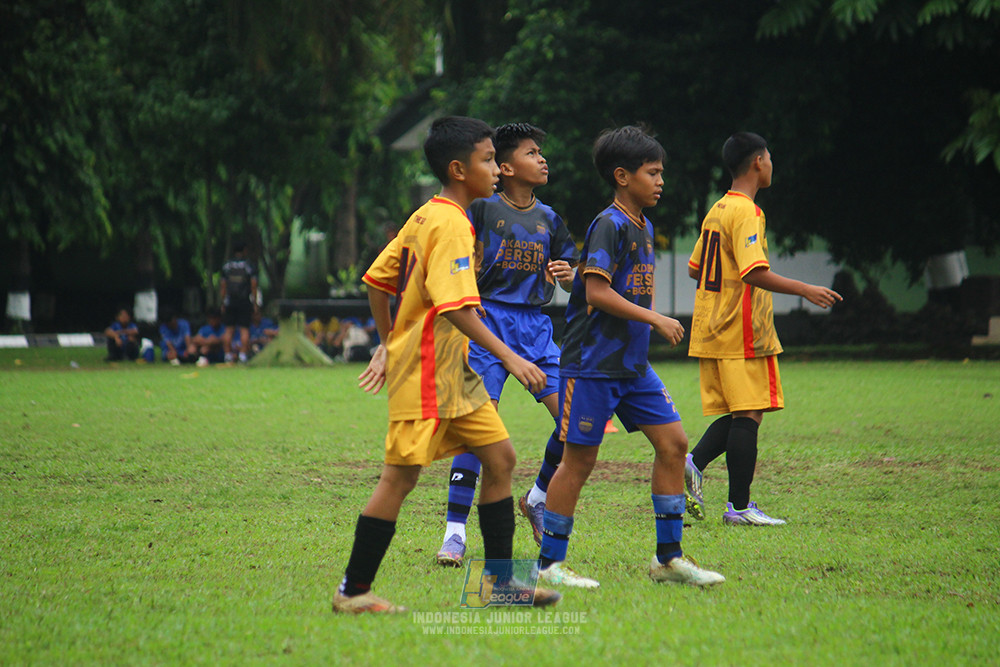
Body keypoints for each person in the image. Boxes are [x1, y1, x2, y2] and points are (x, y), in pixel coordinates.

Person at [332, 116, 560, 613]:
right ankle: (353, 592)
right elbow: (453, 307)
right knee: (399, 479)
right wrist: (510, 356)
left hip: (455, 373)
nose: (497, 169)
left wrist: (389, 339)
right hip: (429, 374)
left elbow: (377, 281)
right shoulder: (453, 223)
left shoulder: (425, 216)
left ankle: (500, 585)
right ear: (458, 169)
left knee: (500, 459)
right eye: (486, 160)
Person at [536, 126, 725, 589]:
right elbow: (597, 292)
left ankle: (668, 559)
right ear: (622, 176)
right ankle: (549, 566)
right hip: (592, 364)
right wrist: (656, 318)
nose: (661, 181)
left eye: (662, 172)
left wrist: (646, 327)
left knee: (675, 444)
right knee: (578, 462)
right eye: (652, 172)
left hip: (632, 365)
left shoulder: (644, 225)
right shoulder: (610, 223)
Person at [434, 122, 578, 567]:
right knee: (480, 431)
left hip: (536, 330)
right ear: (507, 166)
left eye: (541, 152)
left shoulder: (550, 218)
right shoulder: (480, 210)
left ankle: (536, 498)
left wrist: (570, 277)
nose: (542, 159)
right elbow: (460, 264)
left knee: (574, 421)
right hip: (487, 322)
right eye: (533, 153)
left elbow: (573, 273)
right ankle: (454, 533)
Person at [684, 132, 842, 525]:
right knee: (750, 412)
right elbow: (754, 271)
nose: (771, 163)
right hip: (740, 327)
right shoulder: (748, 212)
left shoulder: (716, 209)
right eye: (769, 156)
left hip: (711, 324)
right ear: (758, 162)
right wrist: (805, 289)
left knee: (744, 412)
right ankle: (738, 507)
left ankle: (693, 463)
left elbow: (694, 267)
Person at [220, 240, 259, 363]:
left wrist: (223, 302)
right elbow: (253, 284)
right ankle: (242, 355)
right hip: (244, 301)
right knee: (244, 329)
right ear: (244, 250)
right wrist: (255, 302)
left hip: (230, 301)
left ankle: (227, 355)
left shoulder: (227, 266)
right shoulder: (249, 265)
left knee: (228, 329)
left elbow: (223, 285)